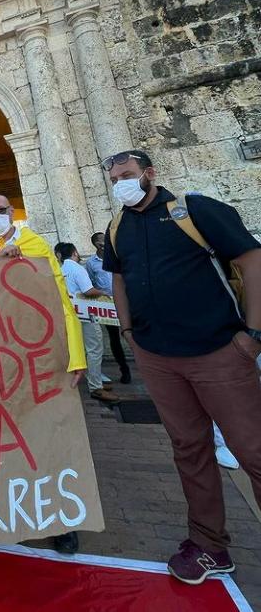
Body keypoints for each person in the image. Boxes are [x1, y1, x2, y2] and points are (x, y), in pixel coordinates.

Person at [102, 149, 261, 585]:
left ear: (150, 173)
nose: (121, 184)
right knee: (189, 449)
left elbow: (253, 259)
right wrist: (130, 331)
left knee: (253, 450)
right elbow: (118, 277)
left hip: (218, 351)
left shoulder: (195, 210)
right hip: (158, 356)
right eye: (114, 178)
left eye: (128, 175)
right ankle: (210, 544)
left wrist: (253, 335)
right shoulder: (117, 229)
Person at [0, 194, 87, 556]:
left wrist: (75, 355)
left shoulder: (35, 244)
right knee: (8, 440)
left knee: (50, 436)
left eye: (0, 211)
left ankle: (62, 520)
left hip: (40, 355)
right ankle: (12, 511)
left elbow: (60, 299)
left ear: (11, 213)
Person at [55, 242, 119, 404]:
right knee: (94, 348)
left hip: (69, 316)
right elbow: (88, 291)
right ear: (75, 253)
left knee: (78, 349)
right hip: (85, 315)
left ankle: (92, 379)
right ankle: (96, 386)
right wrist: (104, 293)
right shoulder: (77, 269)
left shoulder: (59, 271)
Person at [86, 233, 131, 384]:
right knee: (114, 338)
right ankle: (124, 369)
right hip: (107, 303)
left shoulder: (117, 255)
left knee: (132, 332)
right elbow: (92, 282)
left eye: (104, 241)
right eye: (100, 242)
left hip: (126, 299)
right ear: (95, 245)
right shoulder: (91, 263)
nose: (103, 244)